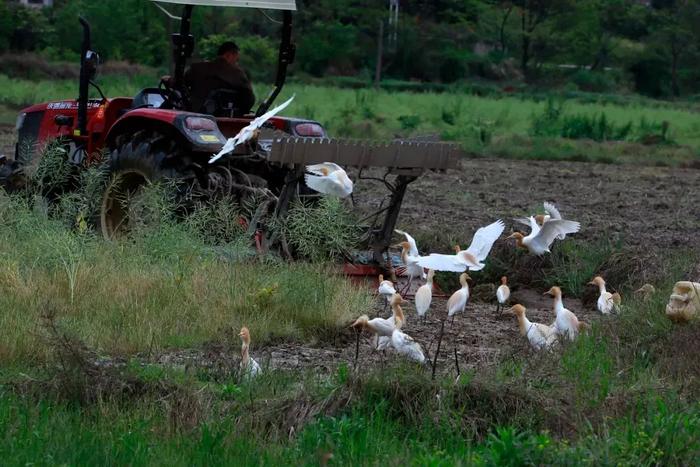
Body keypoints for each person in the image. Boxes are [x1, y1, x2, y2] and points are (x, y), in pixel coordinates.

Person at [184, 41, 255, 115]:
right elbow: (249, 100)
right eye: (236, 60)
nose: (237, 63)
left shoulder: (196, 68)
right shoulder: (237, 74)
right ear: (228, 55)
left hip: (193, 115)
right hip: (223, 119)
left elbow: (180, 86)